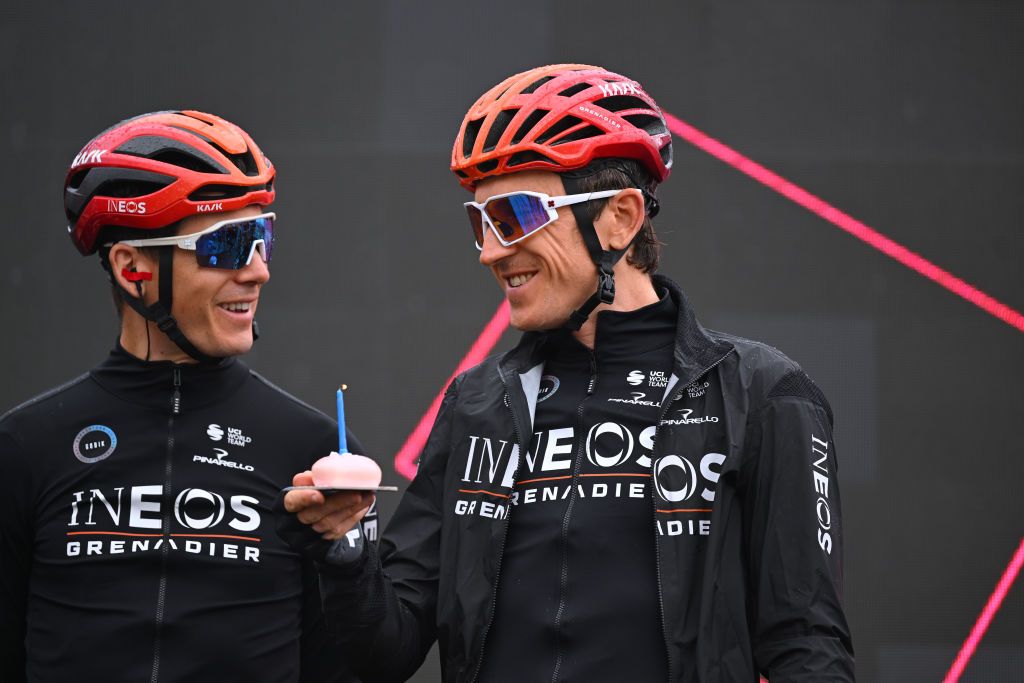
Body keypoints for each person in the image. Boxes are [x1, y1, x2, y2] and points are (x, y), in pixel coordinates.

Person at [281, 64, 854, 682]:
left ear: (621, 216)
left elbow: (806, 646)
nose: (493, 251)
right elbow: (386, 650)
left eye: (517, 214)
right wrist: (344, 547)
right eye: (480, 224)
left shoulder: (762, 393)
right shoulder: (478, 403)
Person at [0, 110, 373, 682]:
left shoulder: (312, 451)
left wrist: (351, 559)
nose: (258, 272)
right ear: (133, 269)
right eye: (227, 244)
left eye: (262, 237)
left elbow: (351, 665)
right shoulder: (24, 446)